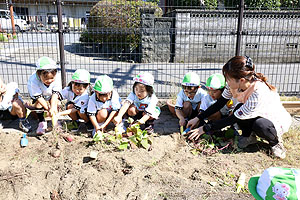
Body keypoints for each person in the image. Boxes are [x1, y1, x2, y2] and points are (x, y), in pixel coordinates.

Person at [186, 56, 291, 159]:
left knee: (260, 125)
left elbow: (232, 119)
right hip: (253, 114)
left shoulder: (258, 92)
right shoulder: (233, 85)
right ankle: (249, 137)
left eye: (228, 79)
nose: (226, 82)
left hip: (270, 119)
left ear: (241, 80)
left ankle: (275, 142)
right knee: (239, 108)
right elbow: (220, 103)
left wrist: (204, 128)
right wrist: (198, 118)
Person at [27, 56, 62, 135]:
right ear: (39, 74)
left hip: (50, 93)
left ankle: (56, 121)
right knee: (39, 105)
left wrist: (52, 107)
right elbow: (39, 97)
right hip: (39, 96)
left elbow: (55, 93)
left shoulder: (57, 77)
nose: (49, 81)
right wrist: (48, 108)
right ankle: (41, 121)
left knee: (55, 103)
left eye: (52, 78)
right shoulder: (34, 81)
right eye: (46, 78)